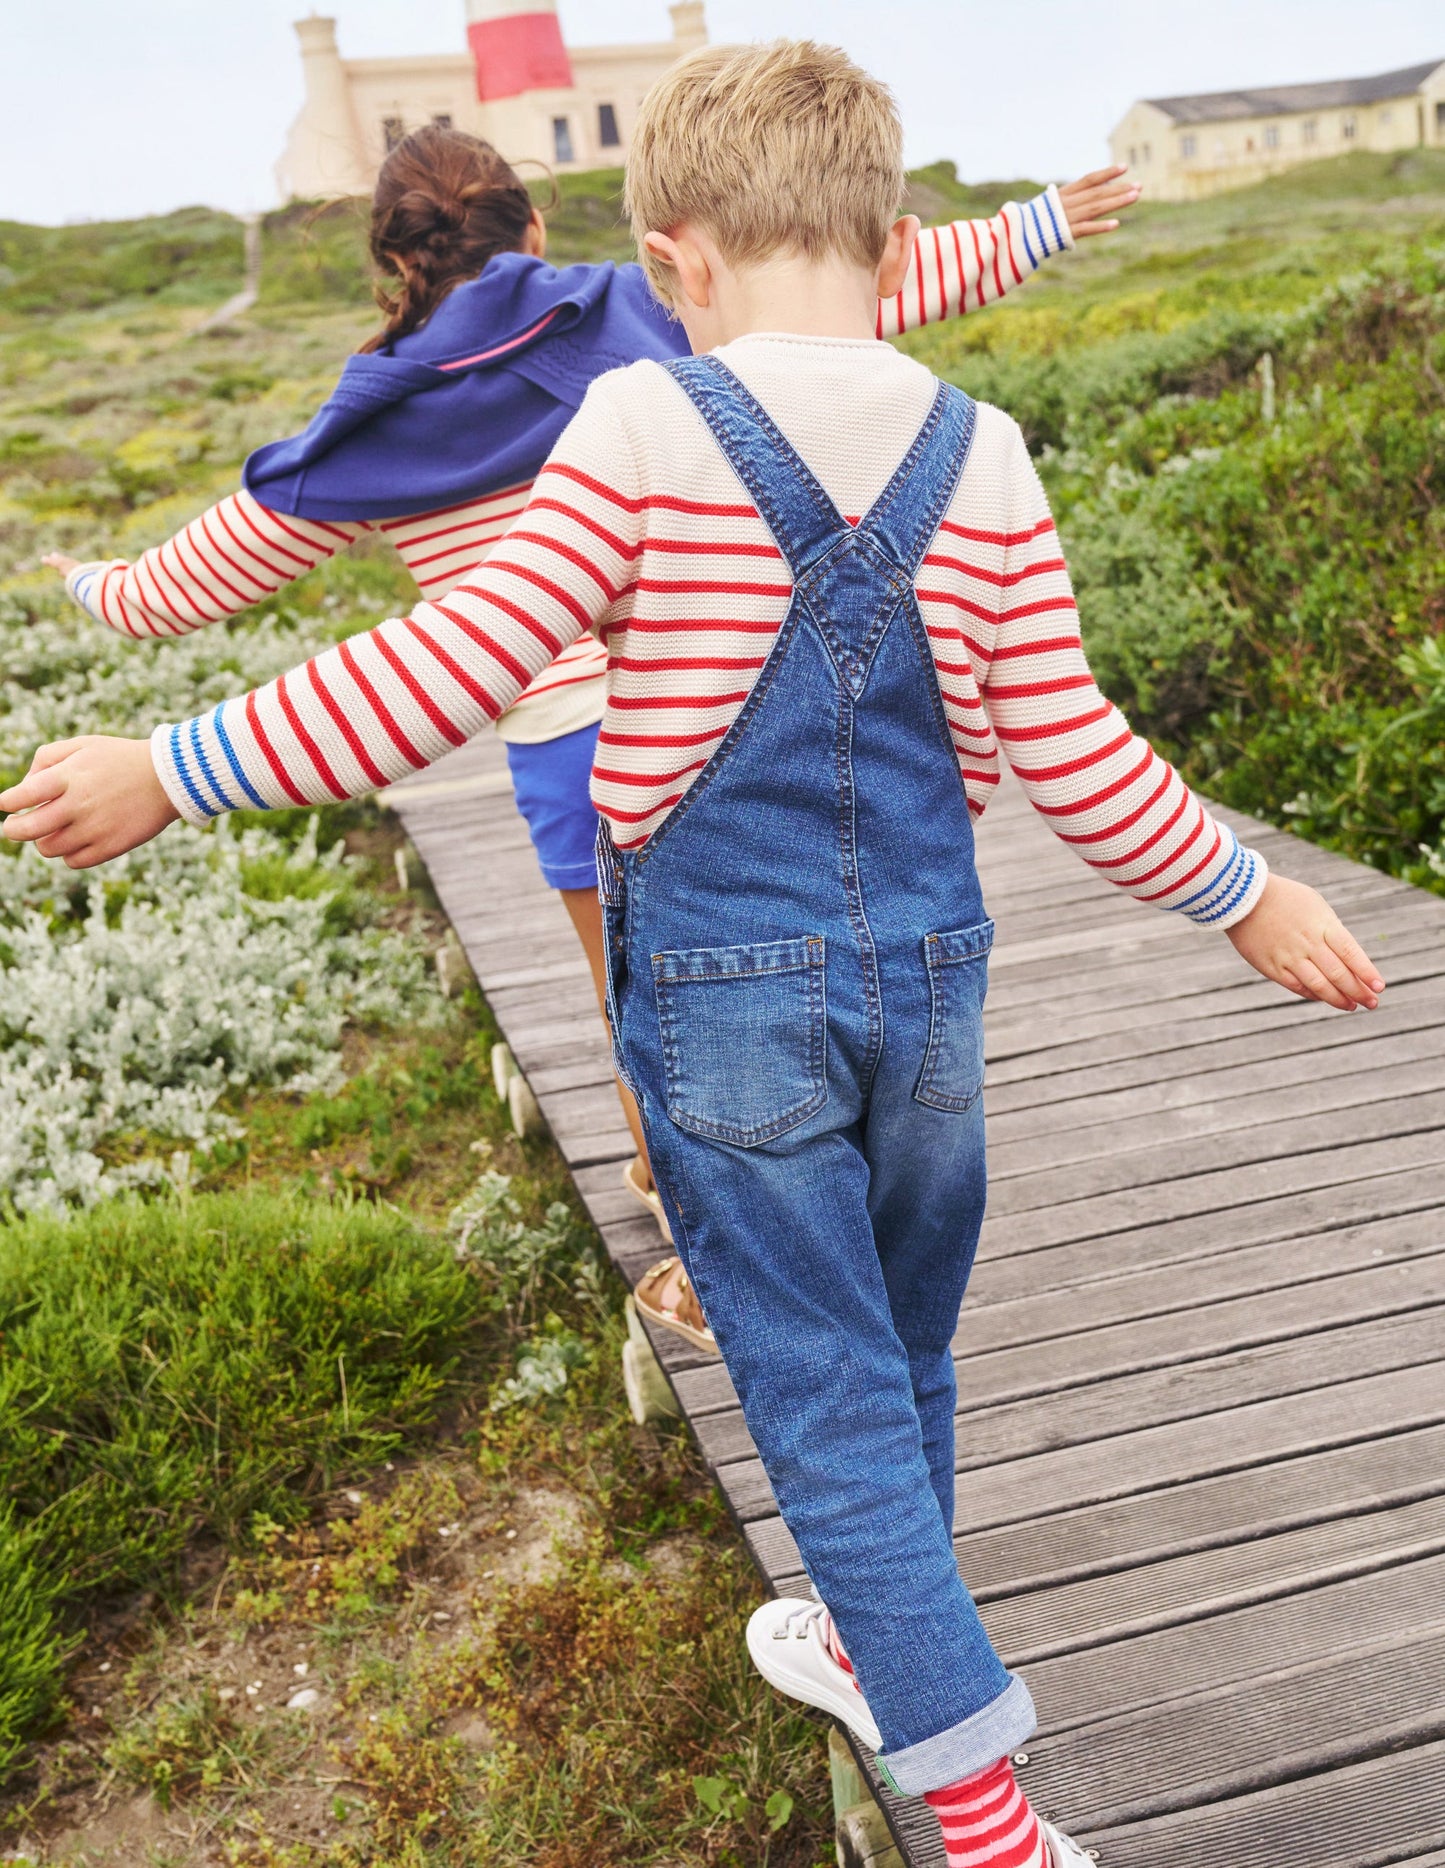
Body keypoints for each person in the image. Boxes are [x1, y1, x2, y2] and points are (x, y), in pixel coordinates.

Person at [1, 41, 1387, 1864]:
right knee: (896, 1348)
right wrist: (1246, 893)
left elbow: (451, 664)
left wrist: (172, 765)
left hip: (729, 989)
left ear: (672, 259)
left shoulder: (646, 427)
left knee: (812, 1382)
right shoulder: (987, 453)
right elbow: (1078, 758)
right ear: (891, 235)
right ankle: (877, 1644)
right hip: (935, 983)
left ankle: (983, 1816)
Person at [37, 121, 1140, 1352]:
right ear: (536, 229)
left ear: (391, 265)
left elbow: (189, 586)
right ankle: (807, 1224)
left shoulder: (378, 416)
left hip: (571, 748)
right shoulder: (645, 309)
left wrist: (89, 584)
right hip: (733, 690)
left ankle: (714, 1245)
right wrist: (1036, 223)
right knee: (801, 975)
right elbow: (857, 286)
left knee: (651, 1005)